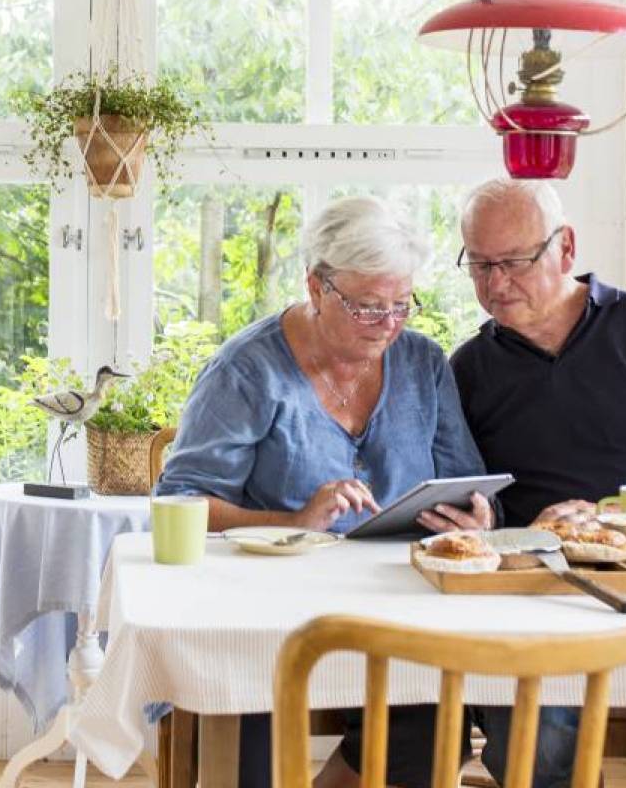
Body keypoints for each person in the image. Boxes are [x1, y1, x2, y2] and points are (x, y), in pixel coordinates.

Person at [156, 195, 493, 788]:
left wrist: (474, 519)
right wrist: (293, 520)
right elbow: (180, 500)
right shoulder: (247, 370)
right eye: (367, 308)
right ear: (316, 287)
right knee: (251, 712)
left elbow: (464, 479)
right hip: (271, 613)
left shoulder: (422, 363)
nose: (388, 326)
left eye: (400, 306)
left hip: (397, 603)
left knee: (436, 713)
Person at [428, 178, 626, 787]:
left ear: (565, 249)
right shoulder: (469, 369)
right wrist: (486, 525)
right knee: (535, 744)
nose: (495, 283)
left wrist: (617, 517)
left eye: (513, 261)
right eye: (480, 265)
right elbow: (470, 500)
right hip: (538, 586)